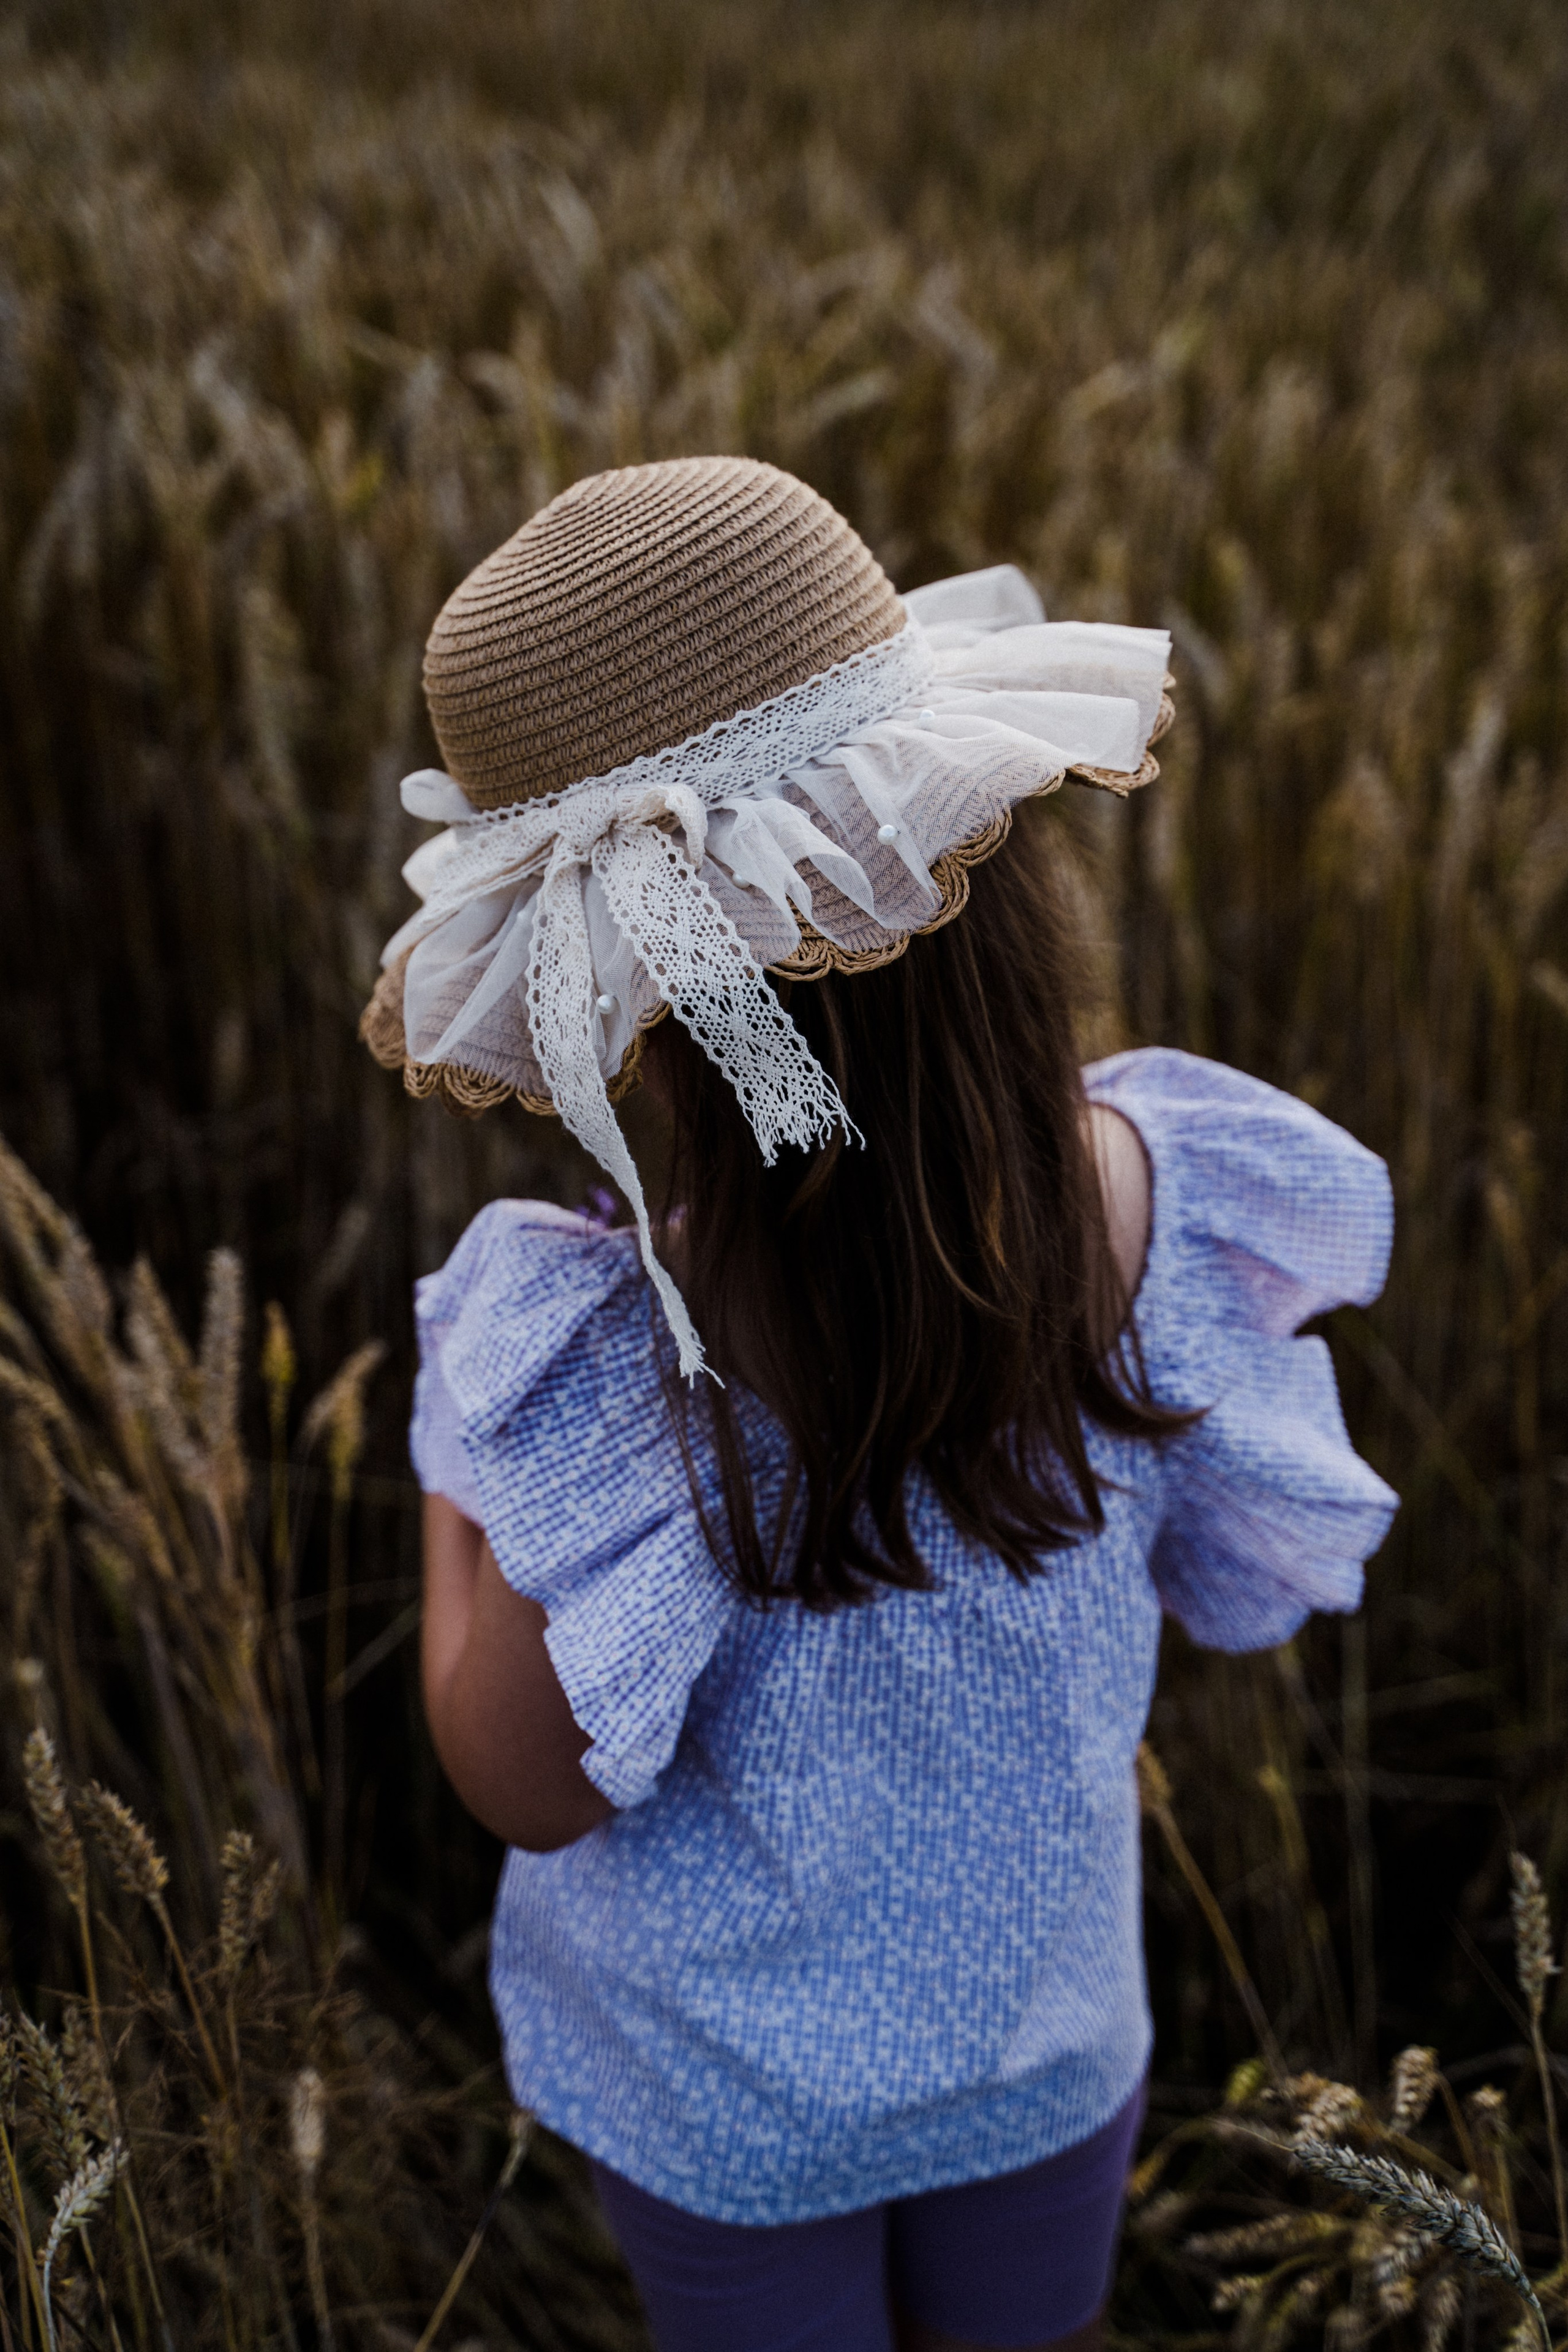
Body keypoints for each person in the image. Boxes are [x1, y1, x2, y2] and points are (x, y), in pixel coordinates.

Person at [363, 457, 1398, 2352]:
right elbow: (1217, 1578)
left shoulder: (620, 1367)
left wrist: (468, 1477)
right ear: (974, 851)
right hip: (1046, 2054)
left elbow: (521, 1779)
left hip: (727, 2111)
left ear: (635, 1018)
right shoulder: (1155, 1198)